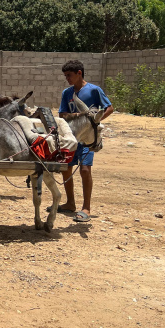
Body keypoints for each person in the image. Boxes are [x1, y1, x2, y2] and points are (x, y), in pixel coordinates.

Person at [57, 59, 114, 223]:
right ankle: (70, 203)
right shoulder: (67, 93)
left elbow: (109, 107)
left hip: (87, 138)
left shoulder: (94, 90)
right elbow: (62, 114)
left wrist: (95, 121)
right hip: (71, 138)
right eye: (66, 76)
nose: (67, 78)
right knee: (66, 168)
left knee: (85, 170)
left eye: (69, 75)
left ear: (79, 73)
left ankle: (86, 208)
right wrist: (75, 116)